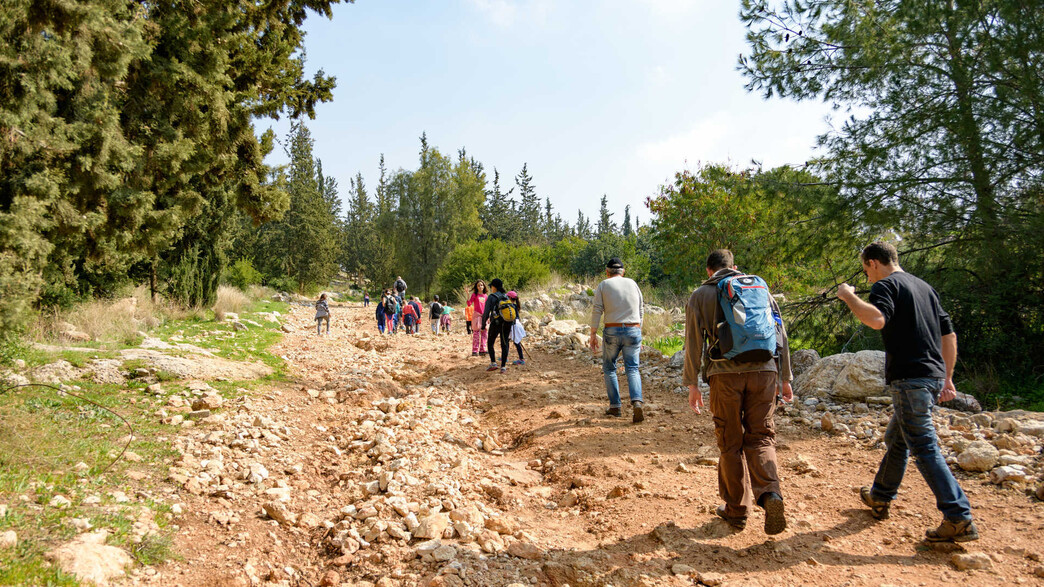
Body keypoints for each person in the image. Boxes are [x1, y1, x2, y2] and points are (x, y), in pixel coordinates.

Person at [837, 242, 978, 543]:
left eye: (866, 270)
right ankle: (880, 495)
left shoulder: (886, 285)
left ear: (873, 263)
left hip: (909, 378)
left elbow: (876, 320)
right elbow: (949, 334)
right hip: (931, 377)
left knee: (924, 447)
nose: (867, 277)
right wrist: (947, 377)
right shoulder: (925, 288)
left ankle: (958, 516)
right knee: (898, 439)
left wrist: (848, 295)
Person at [683, 249, 792, 536]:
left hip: (724, 375)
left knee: (730, 442)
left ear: (709, 271)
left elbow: (693, 342)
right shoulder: (759, 288)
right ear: (734, 267)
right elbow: (780, 331)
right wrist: (785, 377)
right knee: (761, 436)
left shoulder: (701, 295)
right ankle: (771, 495)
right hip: (765, 371)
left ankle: (736, 510)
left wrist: (692, 384)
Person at [589, 258, 645, 424]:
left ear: (607, 272)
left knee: (609, 368)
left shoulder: (604, 285)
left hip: (612, 329)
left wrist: (593, 333)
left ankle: (615, 406)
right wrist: (639, 330)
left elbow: (597, 309)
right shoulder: (633, 283)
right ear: (623, 271)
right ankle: (637, 402)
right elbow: (641, 309)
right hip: (633, 329)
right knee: (632, 368)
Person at [482, 278, 513, 373]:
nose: (491, 288)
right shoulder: (506, 296)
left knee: (490, 343)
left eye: (491, 286)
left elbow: (486, 312)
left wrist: (483, 325)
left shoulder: (491, 297)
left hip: (496, 323)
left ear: (494, 287)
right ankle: (503, 367)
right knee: (505, 343)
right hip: (507, 322)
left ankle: (493, 363)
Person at [467, 280, 489, 356]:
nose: (480, 287)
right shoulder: (474, 295)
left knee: (484, 333)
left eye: (481, 285)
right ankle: (475, 350)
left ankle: (483, 350)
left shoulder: (486, 296)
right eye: (478, 285)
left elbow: (487, 306)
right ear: (476, 287)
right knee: (476, 333)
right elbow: (469, 304)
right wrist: (467, 294)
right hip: (477, 316)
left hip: (484, 316)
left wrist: (488, 316)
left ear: (484, 286)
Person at [507, 291, 526, 365]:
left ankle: (521, 359)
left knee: (516, 342)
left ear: (509, 298)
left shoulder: (510, 306)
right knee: (507, 340)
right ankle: (505, 356)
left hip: (514, 325)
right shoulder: (514, 305)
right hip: (516, 324)